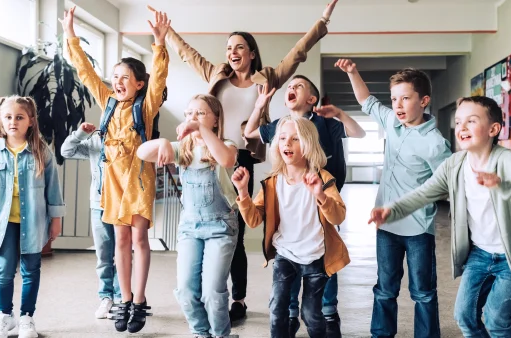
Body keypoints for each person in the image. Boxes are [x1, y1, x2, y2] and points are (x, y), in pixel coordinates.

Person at [149, 1, 339, 322]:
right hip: (210, 158)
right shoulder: (216, 75)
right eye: (228, 48)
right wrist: (167, 34)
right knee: (211, 223)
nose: (232, 52)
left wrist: (322, 22)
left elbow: (297, 52)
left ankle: (237, 298)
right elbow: (188, 53)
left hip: (242, 160)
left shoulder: (267, 79)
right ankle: (212, 291)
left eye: (239, 47)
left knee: (233, 232)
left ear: (251, 53)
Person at [369, 96, 511, 338]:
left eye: (471, 121)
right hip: (479, 254)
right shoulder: (454, 164)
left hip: (510, 257)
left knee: (496, 318)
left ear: (493, 129)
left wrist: (504, 184)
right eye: (459, 122)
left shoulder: (507, 161)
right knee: (464, 317)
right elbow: (425, 193)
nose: (462, 127)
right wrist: (393, 210)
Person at [61, 6, 170, 333]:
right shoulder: (107, 100)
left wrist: (159, 43)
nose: (118, 81)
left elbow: (160, 77)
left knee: (139, 240)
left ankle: (138, 299)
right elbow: (85, 73)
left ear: (139, 84)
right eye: (115, 76)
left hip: (138, 181)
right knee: (121, 241)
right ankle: (123, 298)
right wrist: (71, 36)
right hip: (112, 184)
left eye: (125, 78)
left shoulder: (145, 107)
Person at [336, 58, 452, 337]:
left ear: (424, 100)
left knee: (422, 292)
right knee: (384, 289)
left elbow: (449, 183)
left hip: (418, 230)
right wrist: (353, 72)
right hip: (385, 227)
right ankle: (381, 334)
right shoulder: (392, 122)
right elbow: (367, 100)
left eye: (405, 98)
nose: (397, 105)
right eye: (394, 99)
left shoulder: (435, 143)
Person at [244, 74, 365, 336]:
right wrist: (259, 105)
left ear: (311, 100)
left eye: (298, 86)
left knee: (316, 299)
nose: (287, 141)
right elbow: (249, 133)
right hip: (288, 242)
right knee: (281, 302)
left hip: (319, 209)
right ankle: (289, 318)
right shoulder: (281, 130)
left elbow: (359, 133)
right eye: (289, 86)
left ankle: (329, 315)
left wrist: (321, 194)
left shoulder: (324, 122)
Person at [233, 116, 349, 338]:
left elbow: (338, 217)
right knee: (277, 309)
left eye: (295, 139)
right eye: (283, 138)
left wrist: (320, 195)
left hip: (316, 255)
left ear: (308, 145)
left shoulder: (323, 178)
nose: (287, 143)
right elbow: (254, 219)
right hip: (285, 254)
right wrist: (243, 193)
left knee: (311, 313)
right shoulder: (273, 182)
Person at [137, 94, 238, 338]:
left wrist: (201, 130)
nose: (192, 118)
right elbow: (142, 152)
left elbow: (226, 159)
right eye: (189, 114)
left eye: (201, 114)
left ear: (215, 120)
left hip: (221, 227)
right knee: (185, 289)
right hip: (190, 228)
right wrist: (162, 142)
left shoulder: (226, 144)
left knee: (213, 292)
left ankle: (221, 334)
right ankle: (200, 332)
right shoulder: (182, 149)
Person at [0, 96, 65, 338]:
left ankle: (27, 317)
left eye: (19, 117)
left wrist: (56, 220)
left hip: (34, 223)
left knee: (31, 270)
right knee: (3, 271)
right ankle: (4, 316)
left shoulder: (41, 152)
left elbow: (53, 190)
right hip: (2, 225)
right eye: (8, 117)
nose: (13, 121)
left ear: (31, 121)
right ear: (0, 121)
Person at [60, 122, 121, 319]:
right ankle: (106, 297)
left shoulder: (128, 140)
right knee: (103, 254)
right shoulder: (94, 142)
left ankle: (122, 298)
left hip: (122, 206)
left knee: (122, 254)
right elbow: (66, 151)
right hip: (98, 205)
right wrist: (79, 133)